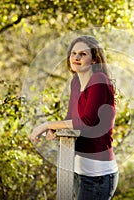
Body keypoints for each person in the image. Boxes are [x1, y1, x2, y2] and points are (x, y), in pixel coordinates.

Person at [30, 35, 118, 200]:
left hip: (98, 176)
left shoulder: (99, 81)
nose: (76, 57)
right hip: (79, 170)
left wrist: (47, 124)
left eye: (83, 54)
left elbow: (86, 122)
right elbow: (71, 117)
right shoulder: (75, 82)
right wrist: (54, 128)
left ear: (94, 59)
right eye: (73, 53)